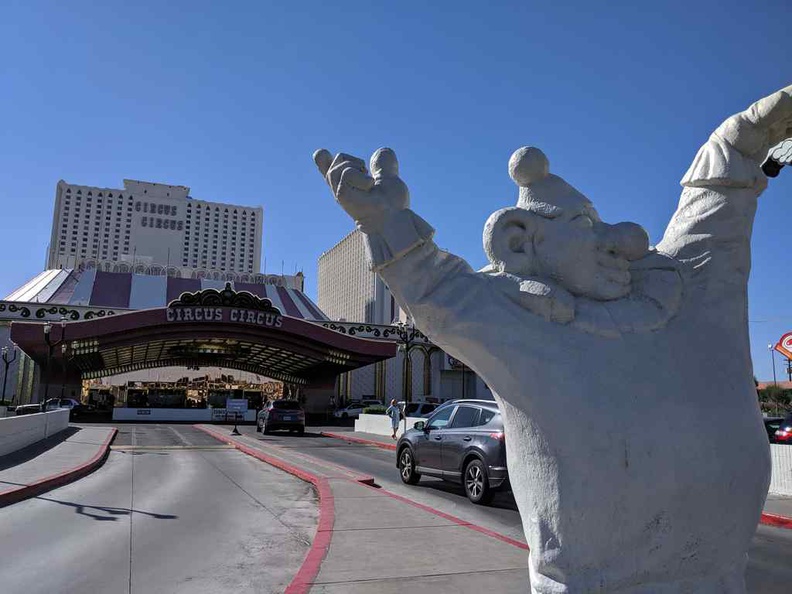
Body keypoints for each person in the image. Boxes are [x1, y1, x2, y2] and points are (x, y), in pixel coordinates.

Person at [314, 85, 792, 593]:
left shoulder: (687, 288)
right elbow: (439, 294)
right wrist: (390, 226)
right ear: (520, 243)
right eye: (585, 224)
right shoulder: (525, 328)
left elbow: (716, 207)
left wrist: (741, 140)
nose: (624, 240)